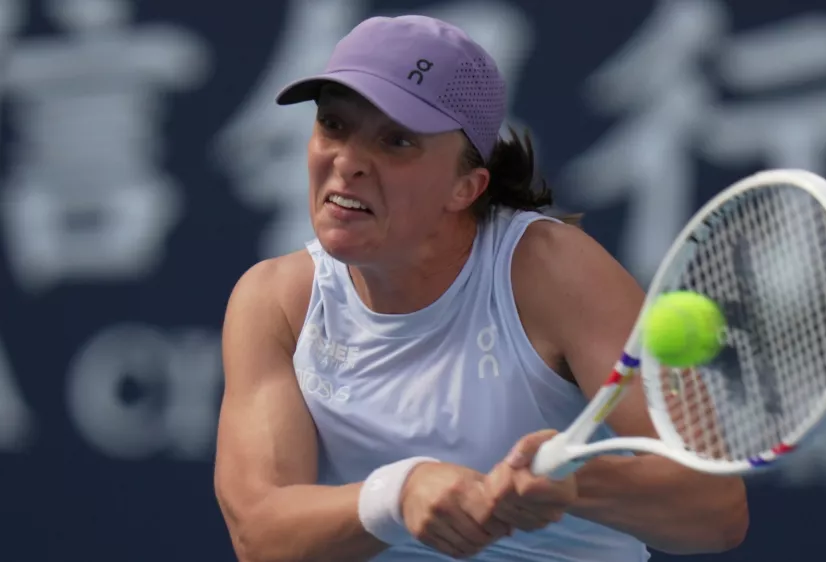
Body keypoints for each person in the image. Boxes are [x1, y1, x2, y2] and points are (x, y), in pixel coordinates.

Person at [213, 13, 748, 562]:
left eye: (396, 140)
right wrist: (398, 493)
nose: (346, 162)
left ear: (466, 185)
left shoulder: (552, 273)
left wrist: (575, 484)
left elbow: (717, 509)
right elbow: (261, 536)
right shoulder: (275, 301)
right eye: (333, 124)